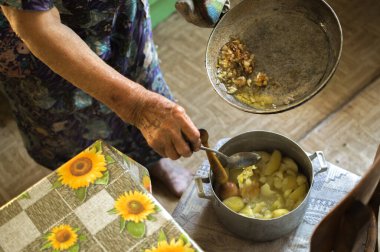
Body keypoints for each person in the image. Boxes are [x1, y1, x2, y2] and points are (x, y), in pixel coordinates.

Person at [0, 0, 228, 197]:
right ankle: (105, 186)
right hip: (41, 48)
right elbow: (38, 27)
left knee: (143, 84)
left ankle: (154, 162)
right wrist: (138, 106)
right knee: (73, 134)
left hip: (118, 16)